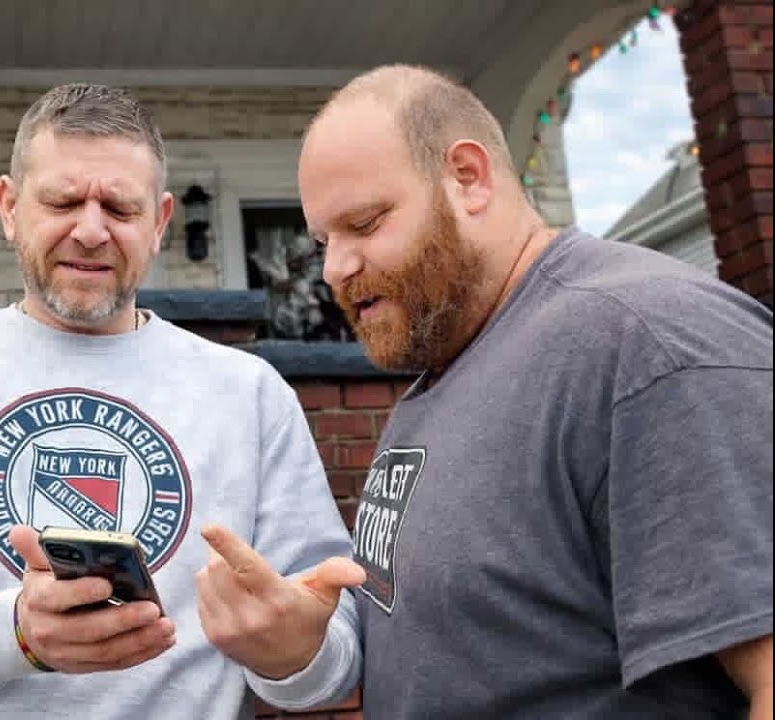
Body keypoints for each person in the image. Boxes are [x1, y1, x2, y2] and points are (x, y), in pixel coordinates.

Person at [0, 83, 365, 720]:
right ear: (9, 208)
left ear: (160, 222)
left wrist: (294, 654)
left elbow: (329, 658)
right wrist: (13, 631)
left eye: (120, 207)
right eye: (62, 201)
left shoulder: (250, 395)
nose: (90, 231)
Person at [298, 63, 773, 719]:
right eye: (323, 240)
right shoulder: (448, 369)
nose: (334, 268)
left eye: (365, 222)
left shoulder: (648, 343)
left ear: (468, 177)